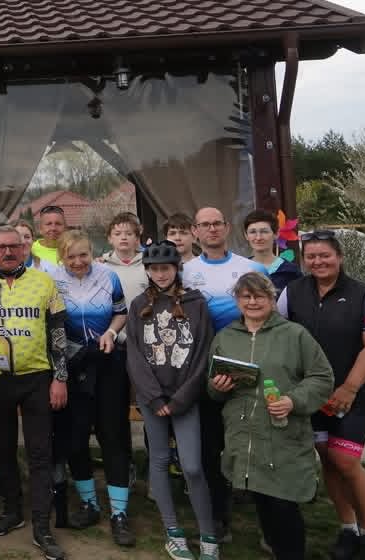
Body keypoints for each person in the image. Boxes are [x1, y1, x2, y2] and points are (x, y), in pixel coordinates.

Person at [209, 272, 334, 560]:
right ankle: (278, 550)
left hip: (282, 433)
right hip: (244, 435)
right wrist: (217, 386)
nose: (252, 302)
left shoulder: (295, 335)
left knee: (283, 503)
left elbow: (322, 377)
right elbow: (212, 388)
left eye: (260, 296)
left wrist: (293, 400)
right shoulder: (226, 337)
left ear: (272, 298)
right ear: (237, 300)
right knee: (262, 499)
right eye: (246, 296)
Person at [0, 225, 68, 560]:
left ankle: (42, 524)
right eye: (1, 247)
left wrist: (60, 378)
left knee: (40, 452)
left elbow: (58, 333)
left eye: (14, 246)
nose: (8, 252)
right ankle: (12, 511)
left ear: (24, 248)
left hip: (37, 377)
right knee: (2, 449)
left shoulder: (44, 282)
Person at [277, 230, 365, 560]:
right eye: (311, 256)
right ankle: (347, 528)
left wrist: (349, 387)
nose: (318, 261)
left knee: (345, 460)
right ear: (304, 260)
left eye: (325, 255)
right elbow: (277, 334)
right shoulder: (292, 292)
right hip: (310, 393)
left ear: (340, 257)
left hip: (352, 393)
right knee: (328, 459)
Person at [125, 241, 216, 560]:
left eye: (165, 268)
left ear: (177, 269)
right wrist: (153, 398)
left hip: (184, 398)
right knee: (160, 460)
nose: (160, 274)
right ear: (147, 271)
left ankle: (208, 534)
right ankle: (173, 531)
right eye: (154, 269)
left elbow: (203, 353)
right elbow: (134, 355)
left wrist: (180, 399)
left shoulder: (196, 303)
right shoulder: (139, 305)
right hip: (153, 399)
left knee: (192, 466)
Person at [183, 206, 265, 539]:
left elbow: (270, 316)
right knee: (209, 446)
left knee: (252, 443)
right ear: (195, 231)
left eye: (217, 223)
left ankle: (268, 522)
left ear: (228, 227)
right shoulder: (185, 272)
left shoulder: (252, 268)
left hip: (247, 367)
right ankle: (219, 516)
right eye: (205, 224)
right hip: (203, 371)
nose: (212, 229)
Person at [49, 229, 132, 545]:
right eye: (70, 257)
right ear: (61, 257)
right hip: (73, 365)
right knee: (76, 438)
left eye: (83, 255)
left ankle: (119, 513)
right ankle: (90, 504)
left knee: (113, 436)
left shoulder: (109, 276)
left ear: (92, 252)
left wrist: (111, 332)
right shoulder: (53, 280)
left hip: (108, 361)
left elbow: (121, 313)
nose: (78, 262)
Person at [244, 209, 302, 291]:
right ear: (246, 235)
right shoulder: (240, 268)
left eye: (264, 231)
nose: (258, 237)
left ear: (276, 234)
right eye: (252, 232)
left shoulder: (291, 271)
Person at [99, 212, 148, 305]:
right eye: (117, 234)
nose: (123, 237)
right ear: (110, 238)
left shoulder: (148, 264)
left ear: (137, 238)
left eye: (129, 234)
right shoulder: (102, 267)